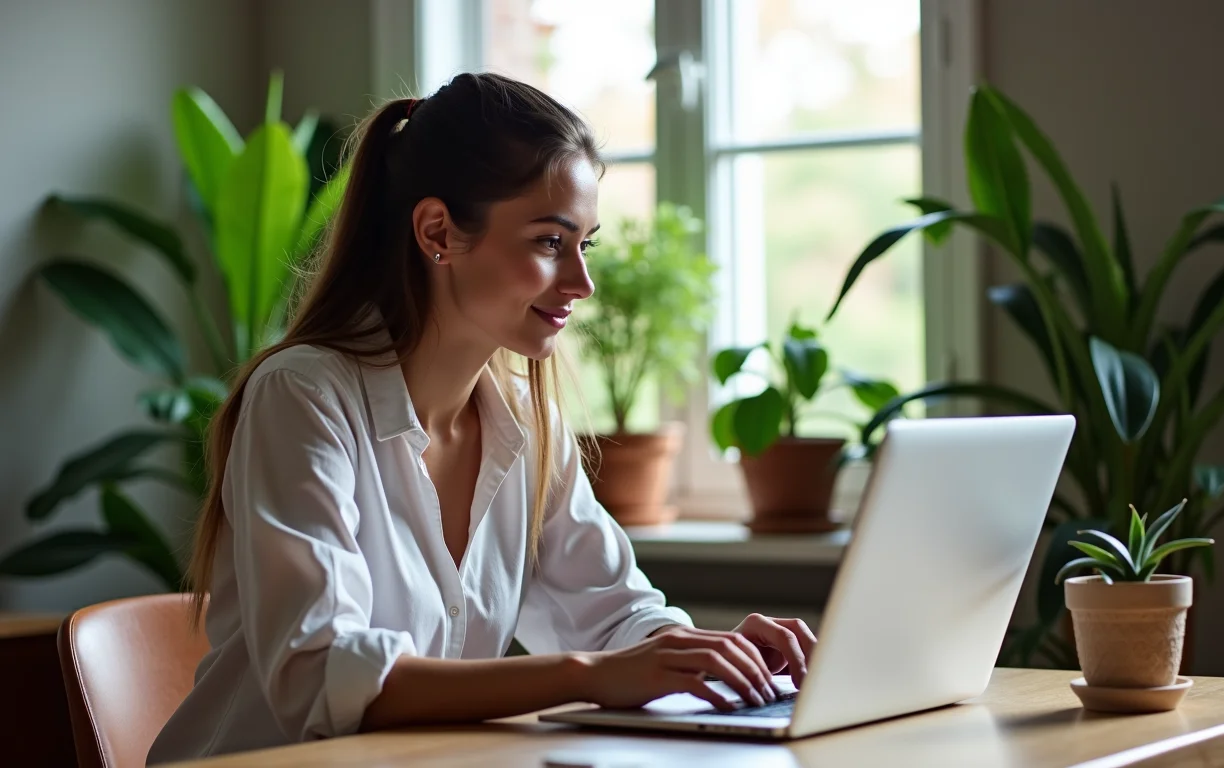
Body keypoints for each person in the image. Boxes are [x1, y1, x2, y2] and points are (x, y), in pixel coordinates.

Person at [148, 73, 817, 763]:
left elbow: (613, 611)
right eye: (549, 242)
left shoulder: (528, 424)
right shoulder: (303, 397)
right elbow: (321, 678)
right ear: (438, 231)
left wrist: (704, 654)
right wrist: (586, 675)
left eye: (585, 245)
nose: (582, 283)